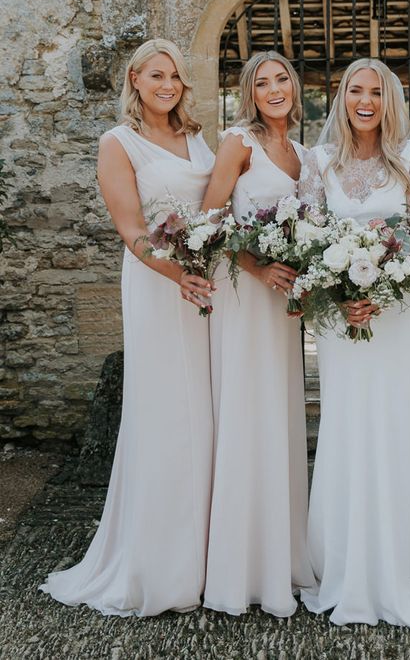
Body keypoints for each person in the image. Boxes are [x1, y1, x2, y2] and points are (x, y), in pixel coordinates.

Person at [41, 39, 215, 616]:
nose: (169, 85)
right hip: (159, 285)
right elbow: (131, 229)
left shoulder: (195, 138)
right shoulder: (116, 143)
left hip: (207, 286)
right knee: (166, 412)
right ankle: (159, 564)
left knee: (208, 412)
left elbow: (216, 206)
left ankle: (210, 557)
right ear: (135, 79)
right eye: (157, 75)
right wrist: (177, 275)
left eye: (176, 77)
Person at [298, 58, 410, 627]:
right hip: (341, 314)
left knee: (397, 419)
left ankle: (397, 555)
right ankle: (343, 555)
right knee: (347, 421)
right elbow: (306, 232)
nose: (364, 101)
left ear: (391, 100)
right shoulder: (318, 161)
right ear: (341, 98)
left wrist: (382, 276)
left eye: (375, 92)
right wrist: (339, 291)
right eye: (355, 90)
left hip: (399, 308)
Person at [200, 51, 314, 616]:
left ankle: (282, 554)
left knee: (280, 413)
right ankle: (240, 566)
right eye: (262, 82)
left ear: (295, 87)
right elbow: (211, 217)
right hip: (246, 295)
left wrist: (303, 282)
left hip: (283, 302)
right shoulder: (238, 142)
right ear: (250, 92)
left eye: (282, 80)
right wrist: (258, 268)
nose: (274, 89)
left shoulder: (305, 153)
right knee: (248, 411)